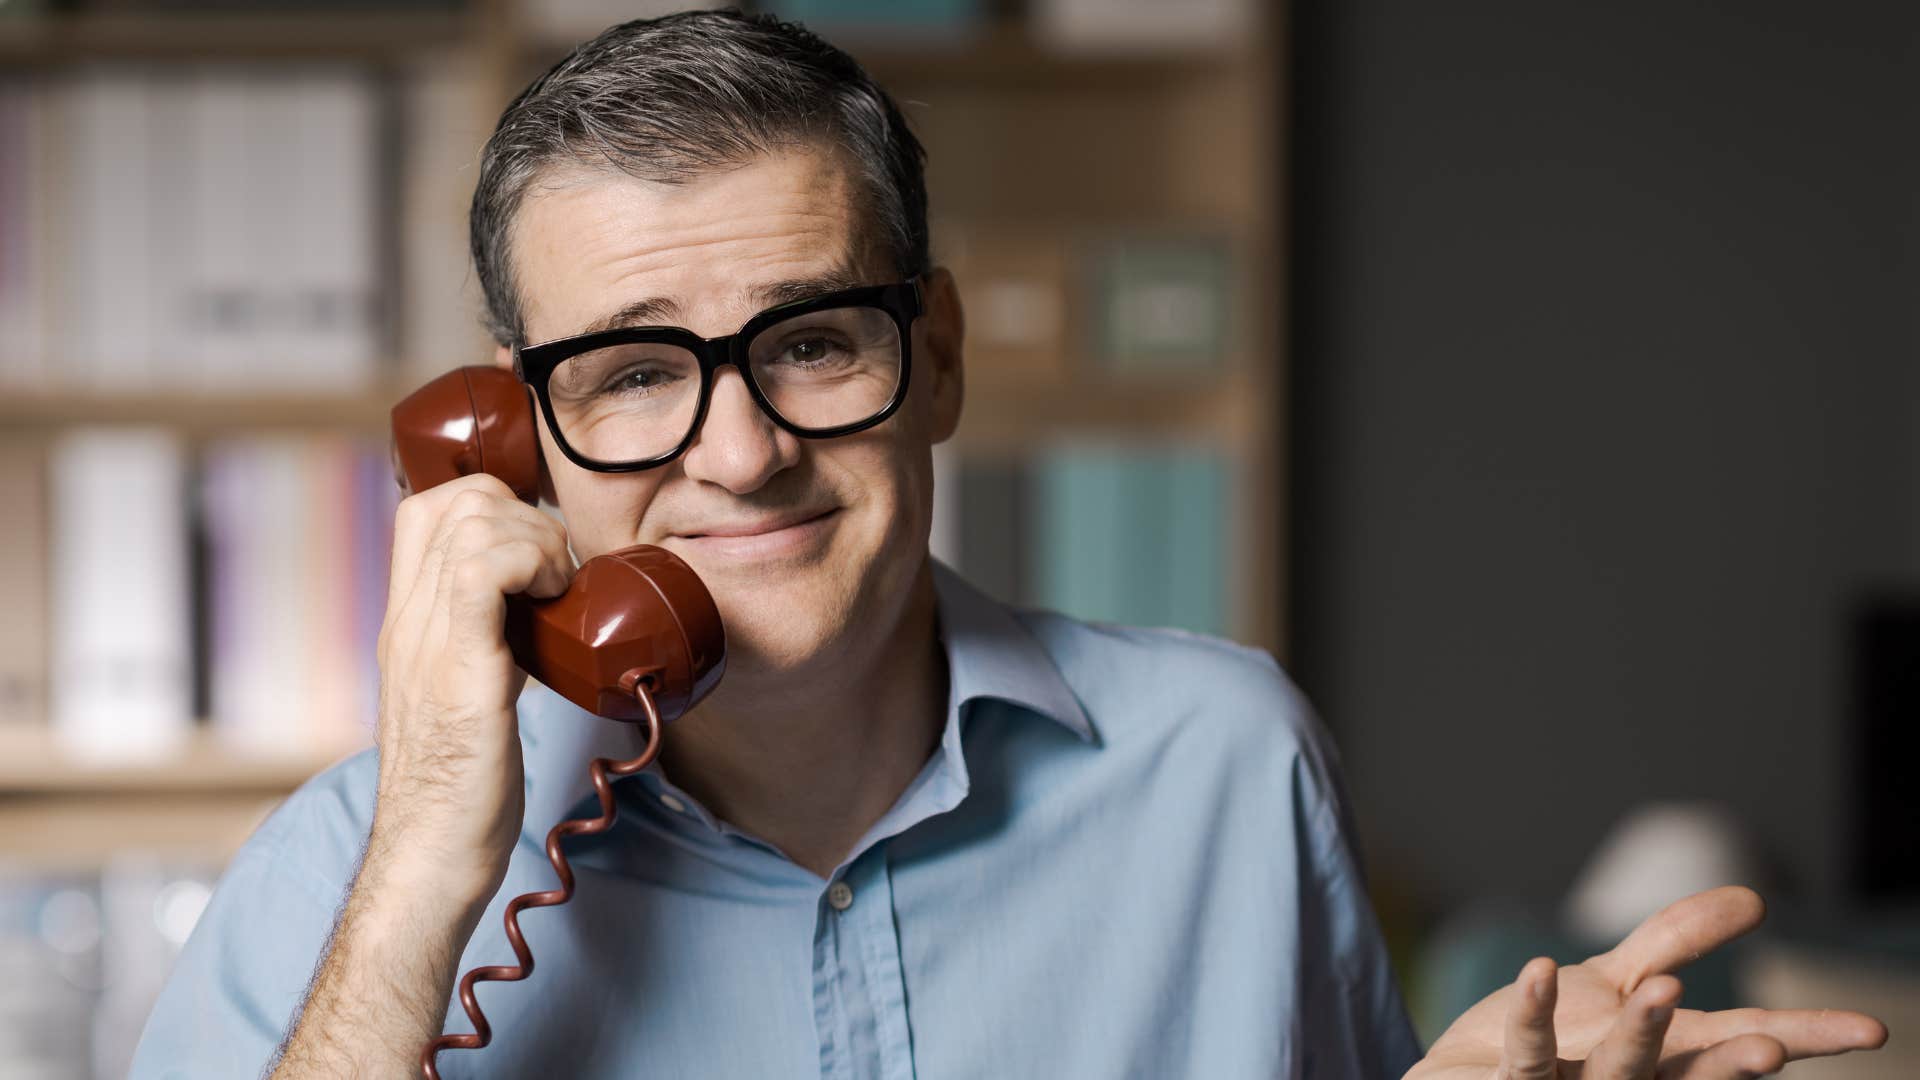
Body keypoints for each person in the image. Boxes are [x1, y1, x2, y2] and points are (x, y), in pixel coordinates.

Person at [131, 10, 1886, 1079]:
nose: (741, 453)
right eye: (638, 373)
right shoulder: (360, 867)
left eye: (816, 343)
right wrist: (439, 865)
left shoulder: (1229, 766)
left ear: (940, 361)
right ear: (514, 434)